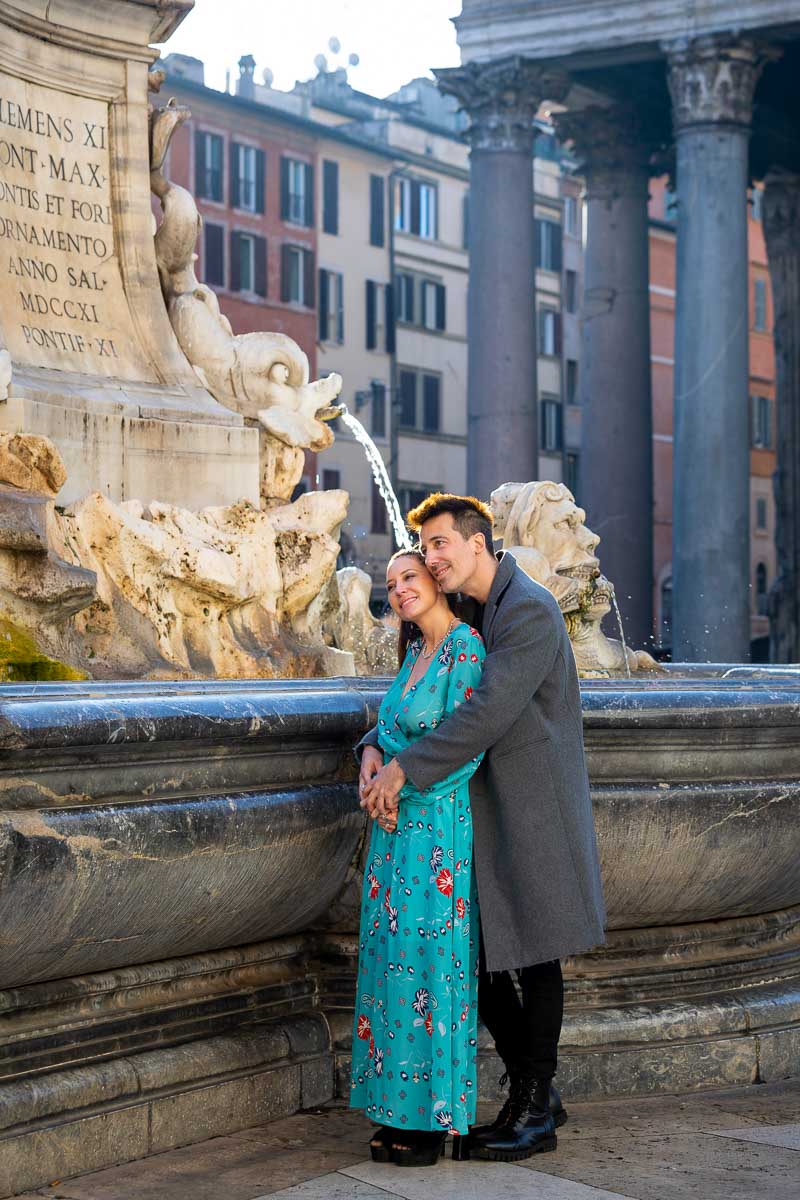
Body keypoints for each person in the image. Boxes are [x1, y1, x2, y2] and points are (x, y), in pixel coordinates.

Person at [360, 494, 606, 1162]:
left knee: (536, 956)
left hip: (532, 806)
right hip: (481, 806)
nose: (431, 559)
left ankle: (536, 1108)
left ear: (478, 543)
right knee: (488, 959)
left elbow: (487, 711)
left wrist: (402, 771)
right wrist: (373, 749)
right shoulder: (471, 612)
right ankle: (535, 1090)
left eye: (440, 544)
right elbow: (421, 701)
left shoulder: (527, 608)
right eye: (425, 547)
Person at [349, 547, 486, 1167]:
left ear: (436, 579)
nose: (399, 589)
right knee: (389, 967)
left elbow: (469, 748)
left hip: (434, 833)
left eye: (409, 576)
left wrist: (400, 785)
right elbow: (393, 725)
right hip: (391, 833)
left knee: (430, 967)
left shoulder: (467, 650)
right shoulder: (413, 654)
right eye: (391, 583)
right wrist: (371, 757)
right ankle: (392, 1107)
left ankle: (433, 1117)